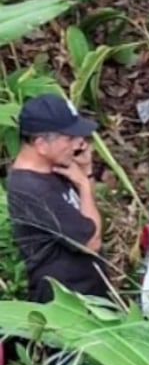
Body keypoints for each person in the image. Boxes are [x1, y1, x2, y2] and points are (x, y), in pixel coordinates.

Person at [4, 94, 112, 302]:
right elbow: (91, 242)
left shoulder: (57, 168)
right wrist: (83, 184)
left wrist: (86, 172)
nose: (79, 144)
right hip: (67, 302)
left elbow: (84, 214)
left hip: (89, 292)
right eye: (69, 138)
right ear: (41, 144)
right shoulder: (31, 189)